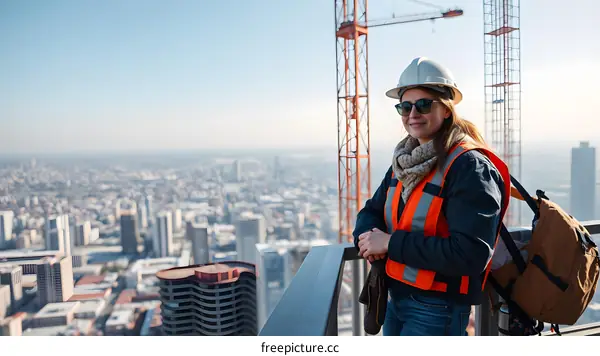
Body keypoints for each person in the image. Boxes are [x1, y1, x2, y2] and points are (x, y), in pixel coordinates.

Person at [354, 57, 512, 336]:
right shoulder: (404, 161)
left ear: (447, 109)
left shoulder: (468, 167)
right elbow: (371, 211)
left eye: (424, 104)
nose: (412, 113)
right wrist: (367, 238)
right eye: (405, 106)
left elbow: (470, 254)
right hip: (396, 298)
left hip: (437, 307)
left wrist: (390, 243)